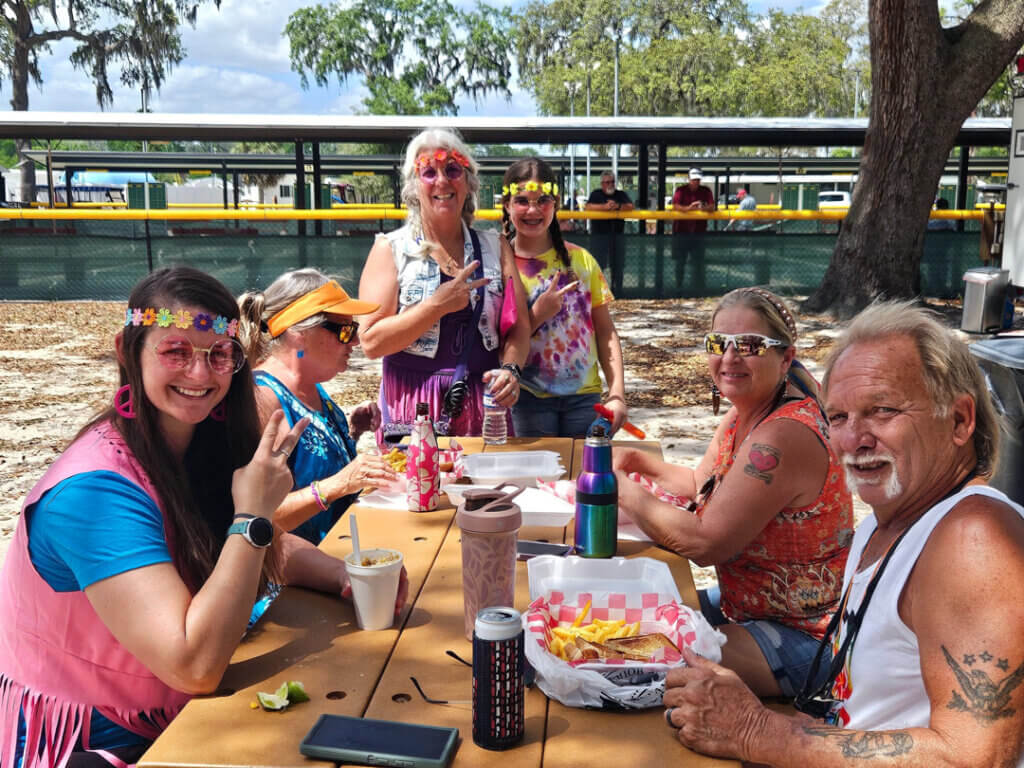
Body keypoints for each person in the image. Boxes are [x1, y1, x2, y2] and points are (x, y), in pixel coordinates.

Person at [0, 266, 407, 767]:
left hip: (187, 712)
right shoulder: (93, 491)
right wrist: (253, 516)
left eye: (218, 355)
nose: (199, 373)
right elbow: (192, 665)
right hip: (100, 739)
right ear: (128, 351)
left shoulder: (201, 446)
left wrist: (345, 574)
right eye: (175, 351)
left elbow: (265, 545)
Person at [663, 300, 1024, 767]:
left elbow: (974, 758)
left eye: (883, 411)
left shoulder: (974, 542)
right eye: (838, 418)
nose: (855, 438)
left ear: (959, 421)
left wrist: (760, 732)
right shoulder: (884, 519)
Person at [614, 286, 852, 698]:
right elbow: (701, 486)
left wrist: (618, 489)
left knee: (634, 657)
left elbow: (706, 541)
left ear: (786, 358)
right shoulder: (747, 413)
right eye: (718, 343)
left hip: (808, 636)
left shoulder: (782, 435)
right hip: (749, 604)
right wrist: (642, 463)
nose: (729, 358)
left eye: (750, 345)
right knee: (627, 613)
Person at [357, 128, 530, 437]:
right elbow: (370, 342)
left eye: (452, 170)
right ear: (413, 186)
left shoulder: (495, 246)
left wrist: (511, 370)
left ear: (468, 182)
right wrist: (435, 306)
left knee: (487, 485)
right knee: (419, 484)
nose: (442, 181)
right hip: (413, 404)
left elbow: (519, 326)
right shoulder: (391, 249)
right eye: (428, 172)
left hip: (484, 402)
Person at [238, 269, 397, 545]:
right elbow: (252, 520)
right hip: (294, 582)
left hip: (339, 560)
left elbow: (305, 462)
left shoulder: (312, 386)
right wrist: (337, 485)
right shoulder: (263, 399)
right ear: (299, 333)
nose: (356, 342)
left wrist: (350, 431)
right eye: (346, 331)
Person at [501, 157, 628, 437]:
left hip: (584, 397)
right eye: (522, 200)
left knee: (586, 477)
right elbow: (495, 346)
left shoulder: (581, 261)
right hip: (526, 399)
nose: (532, 210)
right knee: (538, 480)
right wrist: (538, 315)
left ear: (555, 203)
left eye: (542, 200)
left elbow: (605, 331)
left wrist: (616, 391)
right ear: (507, 205)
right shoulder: (499, 265)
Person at [584, 172, 634, 294]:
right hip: (598, 236)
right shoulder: (596, 194)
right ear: (602, 184)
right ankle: (597, 291)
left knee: (617, 265)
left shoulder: (620, 194)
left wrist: (617, 206)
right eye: (607, 182)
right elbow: (588, 207)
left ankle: (618, 291)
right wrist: (604, 207)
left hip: (617, 236)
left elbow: (630, 206)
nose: (610, 184)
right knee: (597, 264)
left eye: (612, 182)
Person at [670, 168, 716, 294]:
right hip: (681, 232)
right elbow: (675, 206)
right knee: (680, 262)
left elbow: (712, 206)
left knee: (698, 263)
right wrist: (689, 208)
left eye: (698, 179)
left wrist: (704, 208)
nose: (696, 181)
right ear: (689, 179)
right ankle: (678, 287)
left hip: (699, 233)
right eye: (694, 179)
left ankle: (698, 289)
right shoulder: (680, 190)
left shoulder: (706, 190)